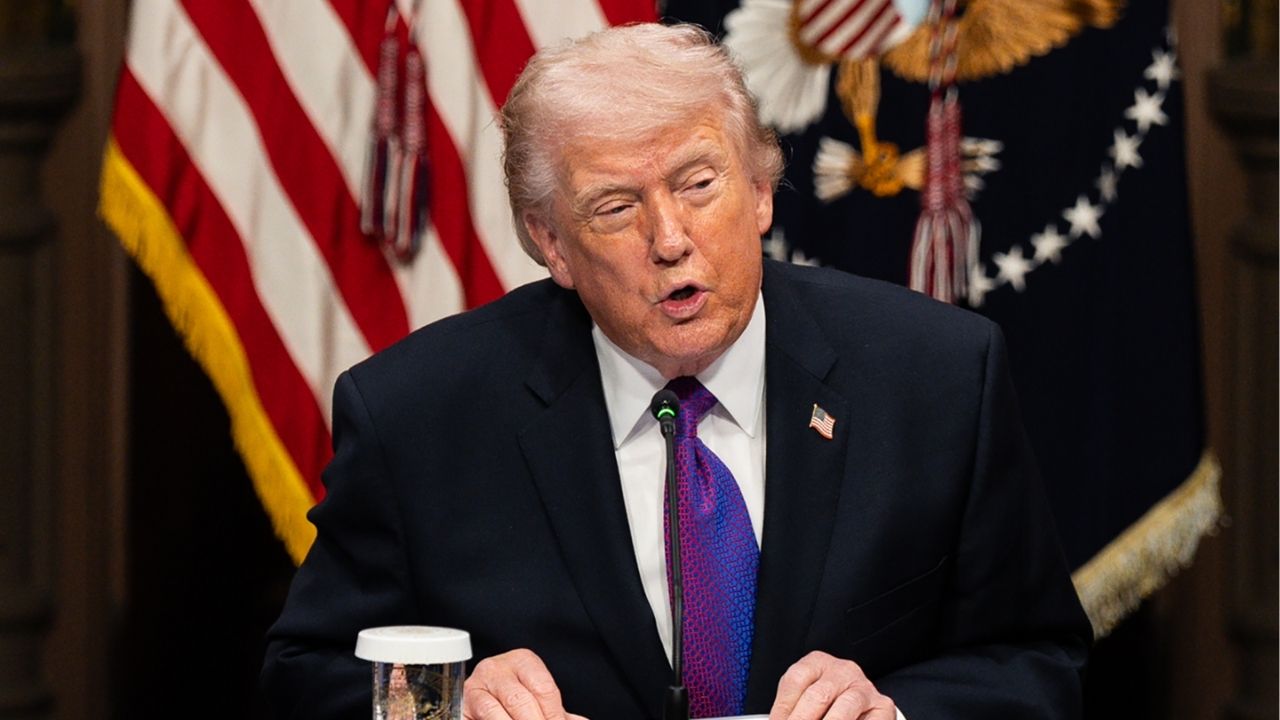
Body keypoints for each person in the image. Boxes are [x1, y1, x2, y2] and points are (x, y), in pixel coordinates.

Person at [262, 23, 1091, 720]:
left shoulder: (938, 375)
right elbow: (303, 675)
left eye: (700, 183)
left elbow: (1038, 661)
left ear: (762, 193)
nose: (670, 238)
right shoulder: (418, 414)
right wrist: (445, 701)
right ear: (551, 243)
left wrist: (897, 712)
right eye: (616, 207)